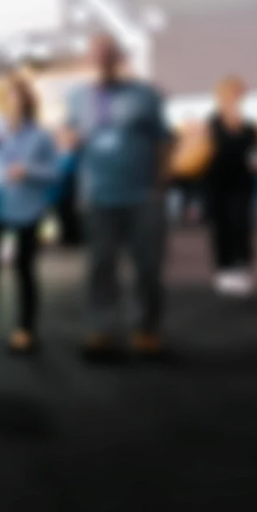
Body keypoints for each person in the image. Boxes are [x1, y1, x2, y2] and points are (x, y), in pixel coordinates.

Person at [65, 34, 174, 361]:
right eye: (96, 53)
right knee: (100, 267)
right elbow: (70, 133)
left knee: (148, 268)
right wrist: (67, 138)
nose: (102, 58)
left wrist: (160, 184)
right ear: (88, 59)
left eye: (108, 53)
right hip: (98, 196)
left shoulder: (145, 94)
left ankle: (146, 329)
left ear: (119, 57)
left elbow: (164, 140)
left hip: (142, 195)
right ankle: (101, 330)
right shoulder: (76, 97)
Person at [0, 78, 58, 355]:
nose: (11, 103)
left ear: (28, 102)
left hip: (28, 210)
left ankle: (25, 329)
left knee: (25, 271)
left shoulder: (41, 136)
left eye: (17, 97)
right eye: (7, 97)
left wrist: (27, 170)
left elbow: (54, 173)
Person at [203, 76, 257, 298]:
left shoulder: (250, 127)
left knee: (241, 223)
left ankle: (242, 267)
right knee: (221, 225)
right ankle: (224, 268)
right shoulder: (210, 125)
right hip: (216, 183)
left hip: (242, 183)